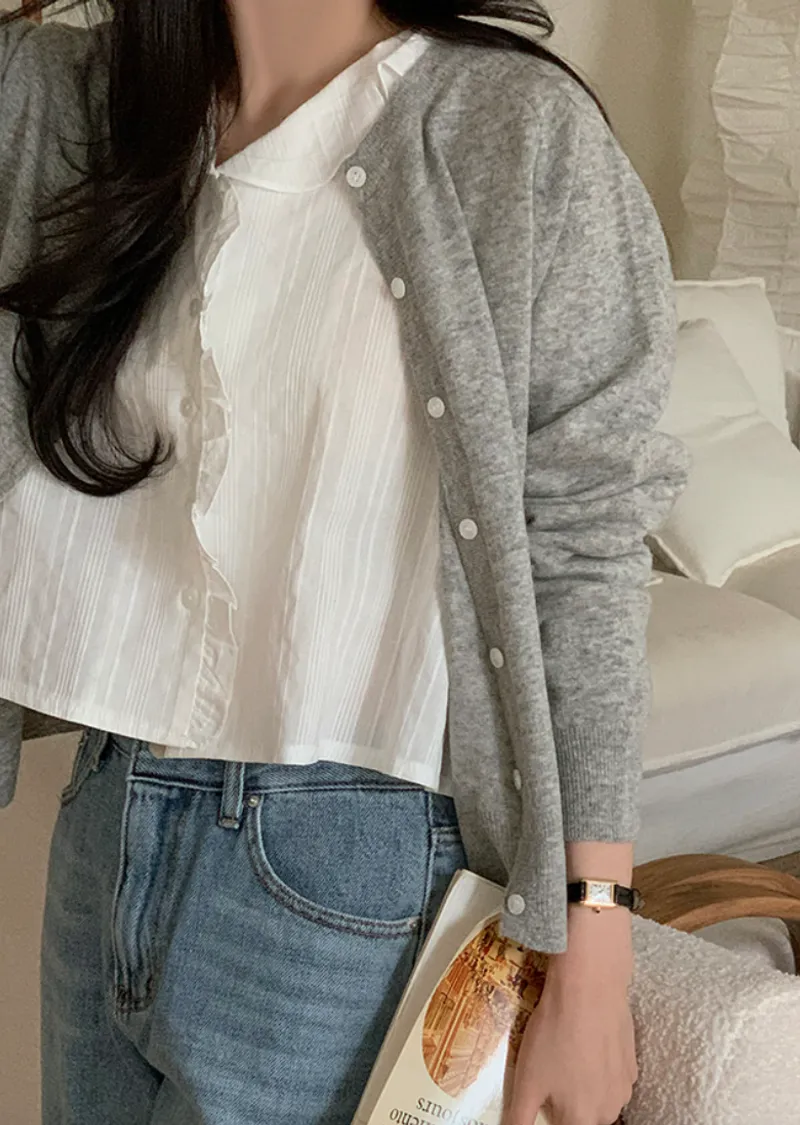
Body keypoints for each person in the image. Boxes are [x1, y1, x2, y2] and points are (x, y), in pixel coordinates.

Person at [0, 2, 688, 1124]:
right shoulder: (81, 107)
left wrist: (594, 937)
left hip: (350, 862)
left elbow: (582, 545)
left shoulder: (515, 131)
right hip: (108, 808)